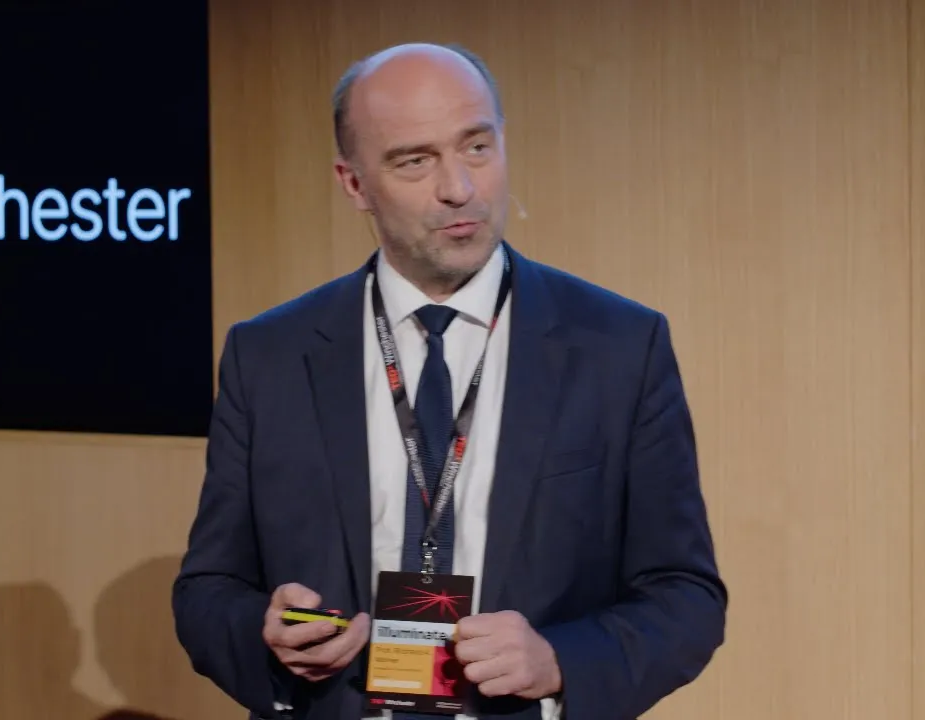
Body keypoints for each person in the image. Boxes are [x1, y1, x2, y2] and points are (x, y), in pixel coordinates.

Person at [172, 42, 727, 720]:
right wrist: (269, 637)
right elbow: (208, 590)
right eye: (415, 160)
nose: (459, 188)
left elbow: (684, 595)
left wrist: (560, 661)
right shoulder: (270, 355)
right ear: (354, 184)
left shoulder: (618, 347)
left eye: (477, 147)